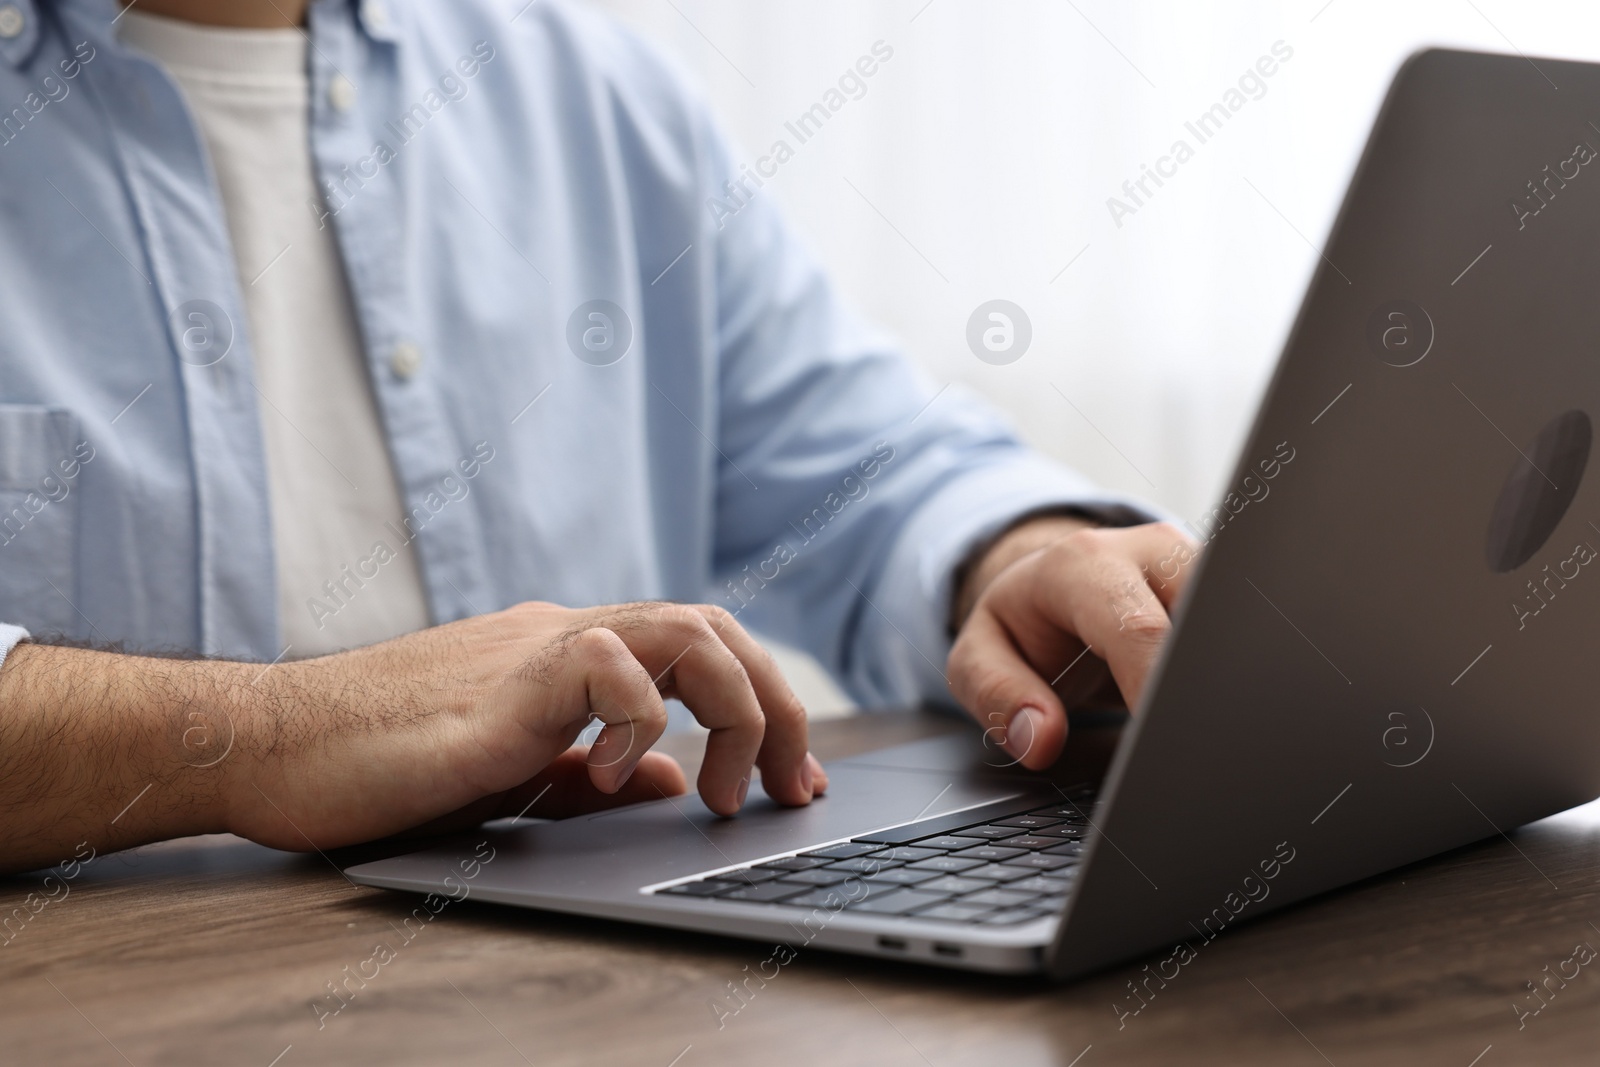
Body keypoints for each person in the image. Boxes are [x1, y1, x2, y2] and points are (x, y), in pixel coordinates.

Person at [0, 0, 1196, 875]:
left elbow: (871, 470)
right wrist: (278, 733)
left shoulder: (595, 91)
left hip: (584, 992)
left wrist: (1016, 560)